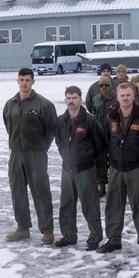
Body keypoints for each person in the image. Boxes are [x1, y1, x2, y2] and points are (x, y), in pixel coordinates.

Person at [98, 83, 139, 257]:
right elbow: (106, 141)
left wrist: (137, 155)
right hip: (115, 168)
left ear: (133, 96)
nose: (125, 98)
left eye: (128, 95)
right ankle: (114, 239)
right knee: (114, 205)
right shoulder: (110, 118)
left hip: (136, 168)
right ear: (117, 97)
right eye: (122, 95)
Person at [3, 68, 57, 244]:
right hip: (16, 153)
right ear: (17, 81)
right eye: (21, 80)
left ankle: (47, 231)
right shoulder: (10, 104)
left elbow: (51, 130)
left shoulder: (44, 104)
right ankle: (23, 227)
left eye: (27, 80)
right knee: (17, 191)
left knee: (40, 191)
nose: (24, 83)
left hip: (36, 154)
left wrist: (41, 149)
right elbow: (8, 126)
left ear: (33, 82)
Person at [53, 86, 107, 250]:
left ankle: (94, 237)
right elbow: (59, 141)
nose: (71, 101)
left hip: (85, 169)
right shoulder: (61, 120)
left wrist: (87, 157)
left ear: (80, 99)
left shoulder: (90, 120)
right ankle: (69, 235)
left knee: (90, 203)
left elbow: (101, 143)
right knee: (66, 203)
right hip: (67, 169)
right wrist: (66, 156)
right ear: (65, 99)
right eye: (69, 98)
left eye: (74, 98)